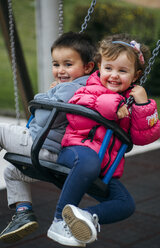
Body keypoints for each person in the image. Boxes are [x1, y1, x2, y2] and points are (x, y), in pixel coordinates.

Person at [47, 33, 160, 247]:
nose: (114, 75)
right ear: (99, 67)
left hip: (102, 170)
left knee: (125, 204)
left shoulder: (132, 100)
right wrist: (113, 105)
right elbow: (77, 112)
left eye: (123, 71)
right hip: (75, 153)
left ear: (136, 76)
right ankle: (58, 220)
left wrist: (143, 105)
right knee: (89, 161)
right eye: (108, 68)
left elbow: (143, 136)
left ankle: (83, 217)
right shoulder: (88, 87)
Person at [0, 31, 96, 244]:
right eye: (56, 64)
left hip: (39, 144)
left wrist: (45, 95)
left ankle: (23, 212)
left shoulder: (72, 87)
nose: (60, 70)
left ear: (88, 67)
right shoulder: (87, 88)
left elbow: (42, 116)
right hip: (53, 154)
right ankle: (23, 212)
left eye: (68, 64)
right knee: (13, 173)